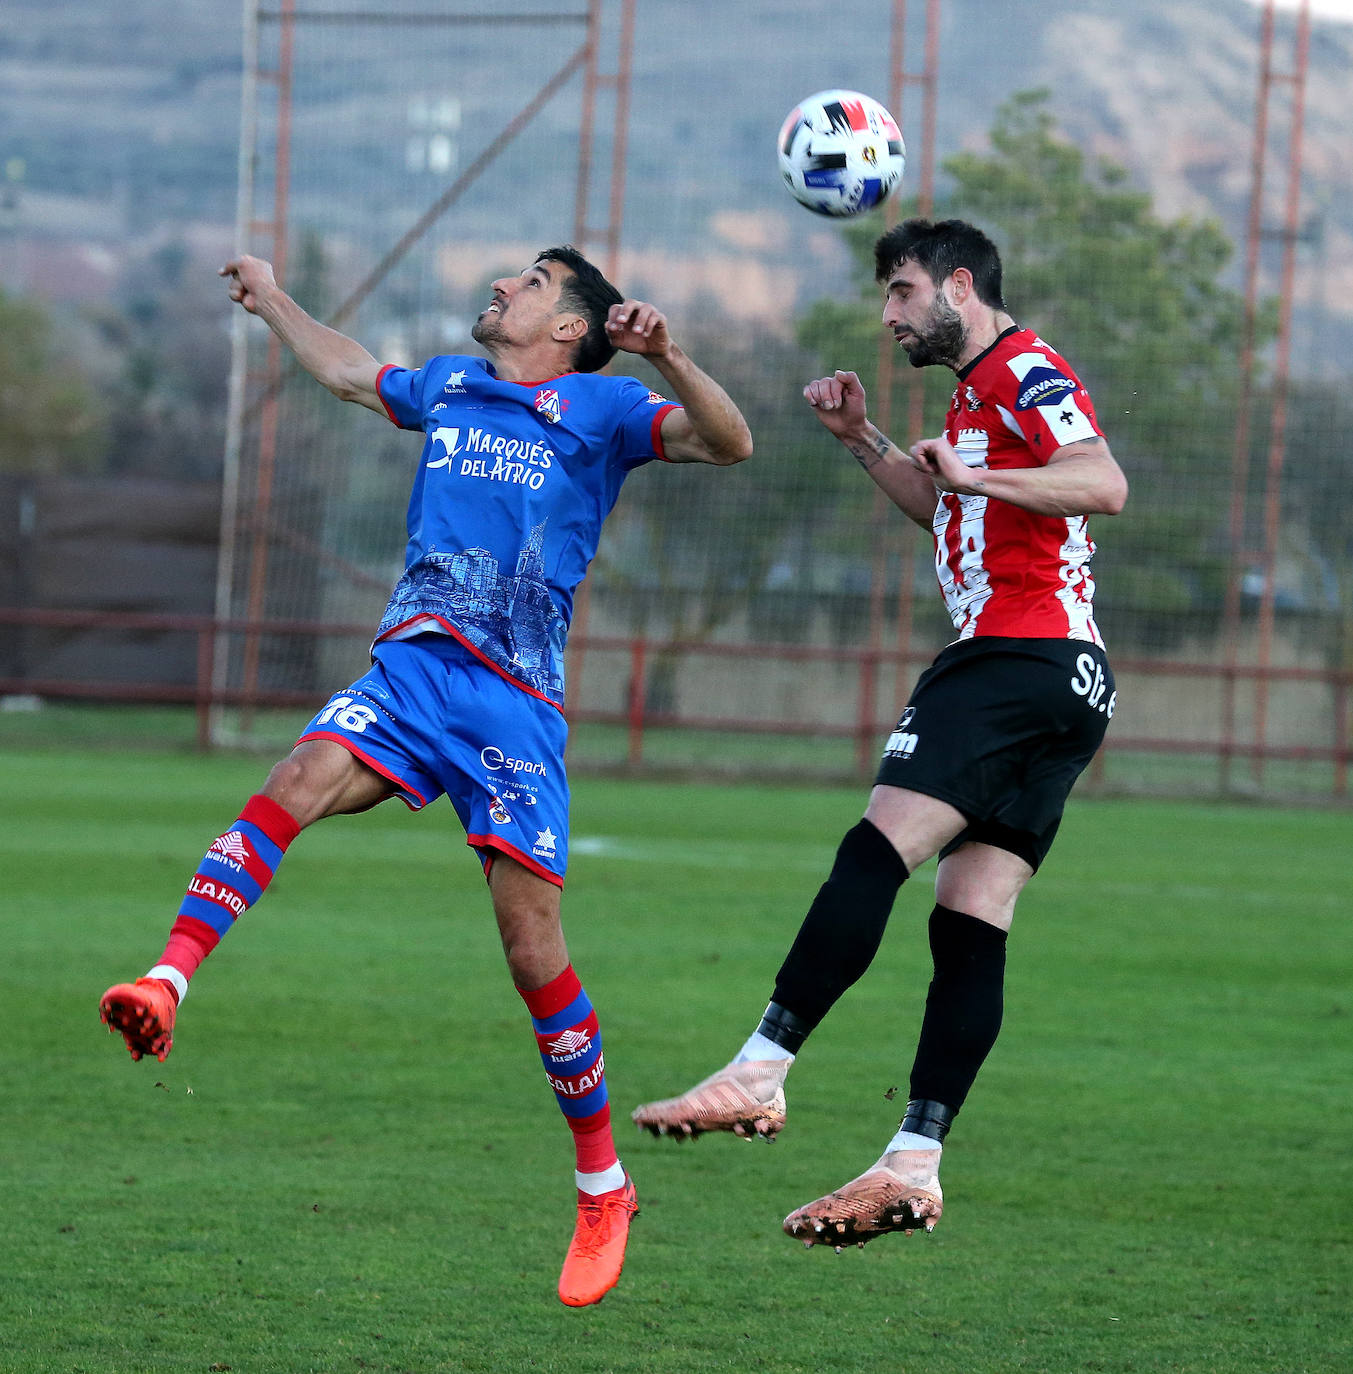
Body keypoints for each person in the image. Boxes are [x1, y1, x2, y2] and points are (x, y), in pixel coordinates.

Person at [99, 245, 753, 1305]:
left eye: (532, 284)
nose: (505, 286)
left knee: (531, 944)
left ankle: (603, 1184)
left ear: (571, 330)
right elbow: (353, 372)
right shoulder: (454, 383)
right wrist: (272, 301)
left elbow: (732, 442)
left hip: (512, 704)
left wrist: (670, 359)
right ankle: (166, 980)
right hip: (410, 674)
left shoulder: (602, 408)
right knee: (296, 775)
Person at [632, 217, 1127, 1250]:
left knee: (873, 852)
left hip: (1014, 657)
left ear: (957, 284)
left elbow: (1101, 482)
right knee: (970, 920)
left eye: (901, 292)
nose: (889, 315)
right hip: (1069, 680)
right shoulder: (972, 396)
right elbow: (939, 503)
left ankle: (760, 1070)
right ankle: (914, 1160)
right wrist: (865, 439)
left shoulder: (1027, 367)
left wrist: (979, 476)